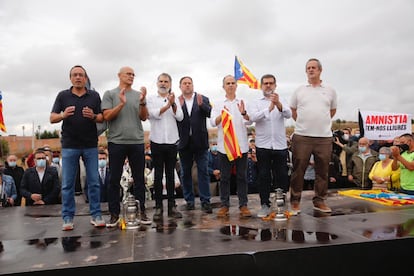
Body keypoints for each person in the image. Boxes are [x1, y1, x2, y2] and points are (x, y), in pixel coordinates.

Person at [50, 65, 106, 230]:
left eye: (81, 75)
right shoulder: (63, 96)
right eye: (75, 75)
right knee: (67, 184)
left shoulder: (94, 96)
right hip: (69, 145)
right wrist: (63, 115)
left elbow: (102, 117)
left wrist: (94, 116)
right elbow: (52, 117)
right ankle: (67, 217)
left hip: (90, 145)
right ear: (70, 78)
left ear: (86, 78)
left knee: (94, 182)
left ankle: (96, 214)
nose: (78, 77)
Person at [101, 66, 152, 227]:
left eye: (133, 74)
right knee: (114, 180)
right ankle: (114, 214)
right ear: (119, 76)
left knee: (139, 179)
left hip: (136, 141)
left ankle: (141, 212)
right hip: (116, 141)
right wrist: (121, 104)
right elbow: (106, 116)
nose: (131, 76)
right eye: (128, 74)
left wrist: (143, 102)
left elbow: (144, 117)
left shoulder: (138, 95)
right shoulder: (110, 94)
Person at [289, 58, 337, 214]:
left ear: (320, 70)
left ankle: (320, 200)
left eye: (314, 68)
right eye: (308, 68)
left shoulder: (330, 90)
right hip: (302, 136)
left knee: (322, 171)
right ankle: (295, 202)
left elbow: (332, 111)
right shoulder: (299, 90)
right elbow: (293, 110)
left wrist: (320, 123)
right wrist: (304, 123)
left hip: (323, 137)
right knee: (298, 170)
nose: (311, 70)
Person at [248, 74, 292, 217]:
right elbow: (253, 117)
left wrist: (278, 104)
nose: (268, 86)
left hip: (280, 145)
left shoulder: (282, 99)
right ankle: (264, 204)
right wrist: (269, 108)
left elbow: (288, 114)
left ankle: (282, 204)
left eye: (271, 83)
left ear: (275, 85)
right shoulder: (256, 102)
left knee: (282, 176)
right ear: (261, 86)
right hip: (263, 145)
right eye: (265, 83)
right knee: (264, 175)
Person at [210, 75, 252, 218]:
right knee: (225, 178)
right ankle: (224, 205)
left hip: (241, 146)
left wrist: (244, 113)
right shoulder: (218, 103)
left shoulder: (243, 102)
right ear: (223, 86)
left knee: (242, 177)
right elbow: (212, 122)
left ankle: (243, 205)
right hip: (224, 147)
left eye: (233, 83)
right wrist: (221, 116)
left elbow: (250, 121)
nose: (230, 85)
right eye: (227, 83)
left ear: (236, 85)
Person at [147, 73, 184, 221]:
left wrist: (173, 104)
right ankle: (158, 207)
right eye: (161, 81)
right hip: (156, 140)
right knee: (157, 175)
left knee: (170, 174)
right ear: (157, 83)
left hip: (171, 141)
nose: (163, 84)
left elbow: (180, 117)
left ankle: (172, 205)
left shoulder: (174, 99)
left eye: (166, 81)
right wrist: (166, 106)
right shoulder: (150, 99)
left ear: (170, 84)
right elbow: (152, 114)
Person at [176, 76, 213, 214]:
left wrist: (202, 105)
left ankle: (205, 201)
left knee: (203, 171)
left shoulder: (202, 98)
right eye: (184, 83)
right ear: (180, 86)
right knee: (185, 173)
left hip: (200, 142)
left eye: (189, 83)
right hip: (184, 142)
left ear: (193, 85)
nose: (187, 86)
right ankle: (189, 201)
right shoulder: (177, 101)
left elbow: (210, 113)